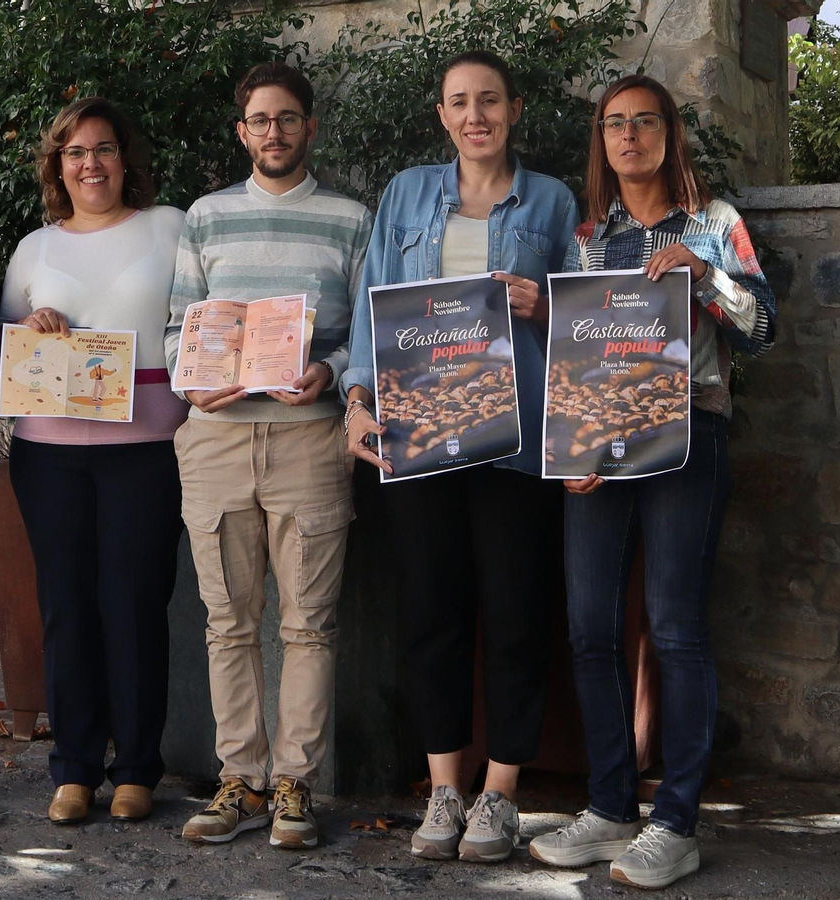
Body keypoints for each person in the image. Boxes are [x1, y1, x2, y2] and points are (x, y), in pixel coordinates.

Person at [527, 73, 776, 889]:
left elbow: (766, 327)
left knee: (675, 629)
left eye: (643, 122)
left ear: (670, 132)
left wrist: (703, 279)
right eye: (613, 125)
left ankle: (675, 822)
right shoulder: (589, 236)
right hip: (599, 445)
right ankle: (608, 808)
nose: (628, 136)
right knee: (588, 627)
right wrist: (570, 446)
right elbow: (575, 346)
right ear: (601, 140)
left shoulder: (715, 223)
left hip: (687, 438)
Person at [341, 51, 578, 864]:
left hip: (514, 442)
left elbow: (580, 317)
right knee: (431, 614)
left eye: (489, 101)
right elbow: (374, 303)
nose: (475, 115)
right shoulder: (407, 192)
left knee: (515, 616)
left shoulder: (550, 199)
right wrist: (359, 400)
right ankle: (445, 789)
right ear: (441, 115)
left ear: (513, 109)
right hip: (420, 435)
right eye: (459, 103)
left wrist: (543, 303)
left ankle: (501, 794)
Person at [166, 62, 373, 851]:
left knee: (309, 624)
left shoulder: (352, 218)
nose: (274, 132)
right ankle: (239, 780)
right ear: (242, 131)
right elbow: (176, 328)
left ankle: (295, 785)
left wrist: (330, 371)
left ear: (309, 128)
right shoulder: (206, 217)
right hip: (216, 437)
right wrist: (196, 382)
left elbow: (369, 336)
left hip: (310, 437)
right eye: (260, 120)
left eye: (288, 119)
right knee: (226, 623)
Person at [0, 97, 188, 826]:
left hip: (145, 451)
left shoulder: (167, 228)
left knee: (136, 605)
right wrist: (33, 323)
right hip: (48, 453)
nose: (90, 164)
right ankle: (75, 767)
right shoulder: (33, 248)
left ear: (124, 159)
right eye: (75, 153)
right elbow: (8, 337)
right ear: (58, 165)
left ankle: (137, 767)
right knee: (67, 606)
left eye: (103, 149)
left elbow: (194, 318)